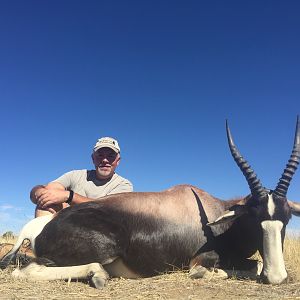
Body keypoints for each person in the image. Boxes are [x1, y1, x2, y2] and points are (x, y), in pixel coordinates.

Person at [30, 137, 133, 217]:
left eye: (110, 156)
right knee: (47, 204)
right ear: (93, 158)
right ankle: (42, 244)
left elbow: (108, 208)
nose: (105, 160)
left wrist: (69, 196)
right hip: (68, 225)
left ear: (118, 161)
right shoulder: (76, 175)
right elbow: (50, 189)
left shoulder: (124, 185)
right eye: (100, 155)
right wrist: (41, 193)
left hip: (102, 233)